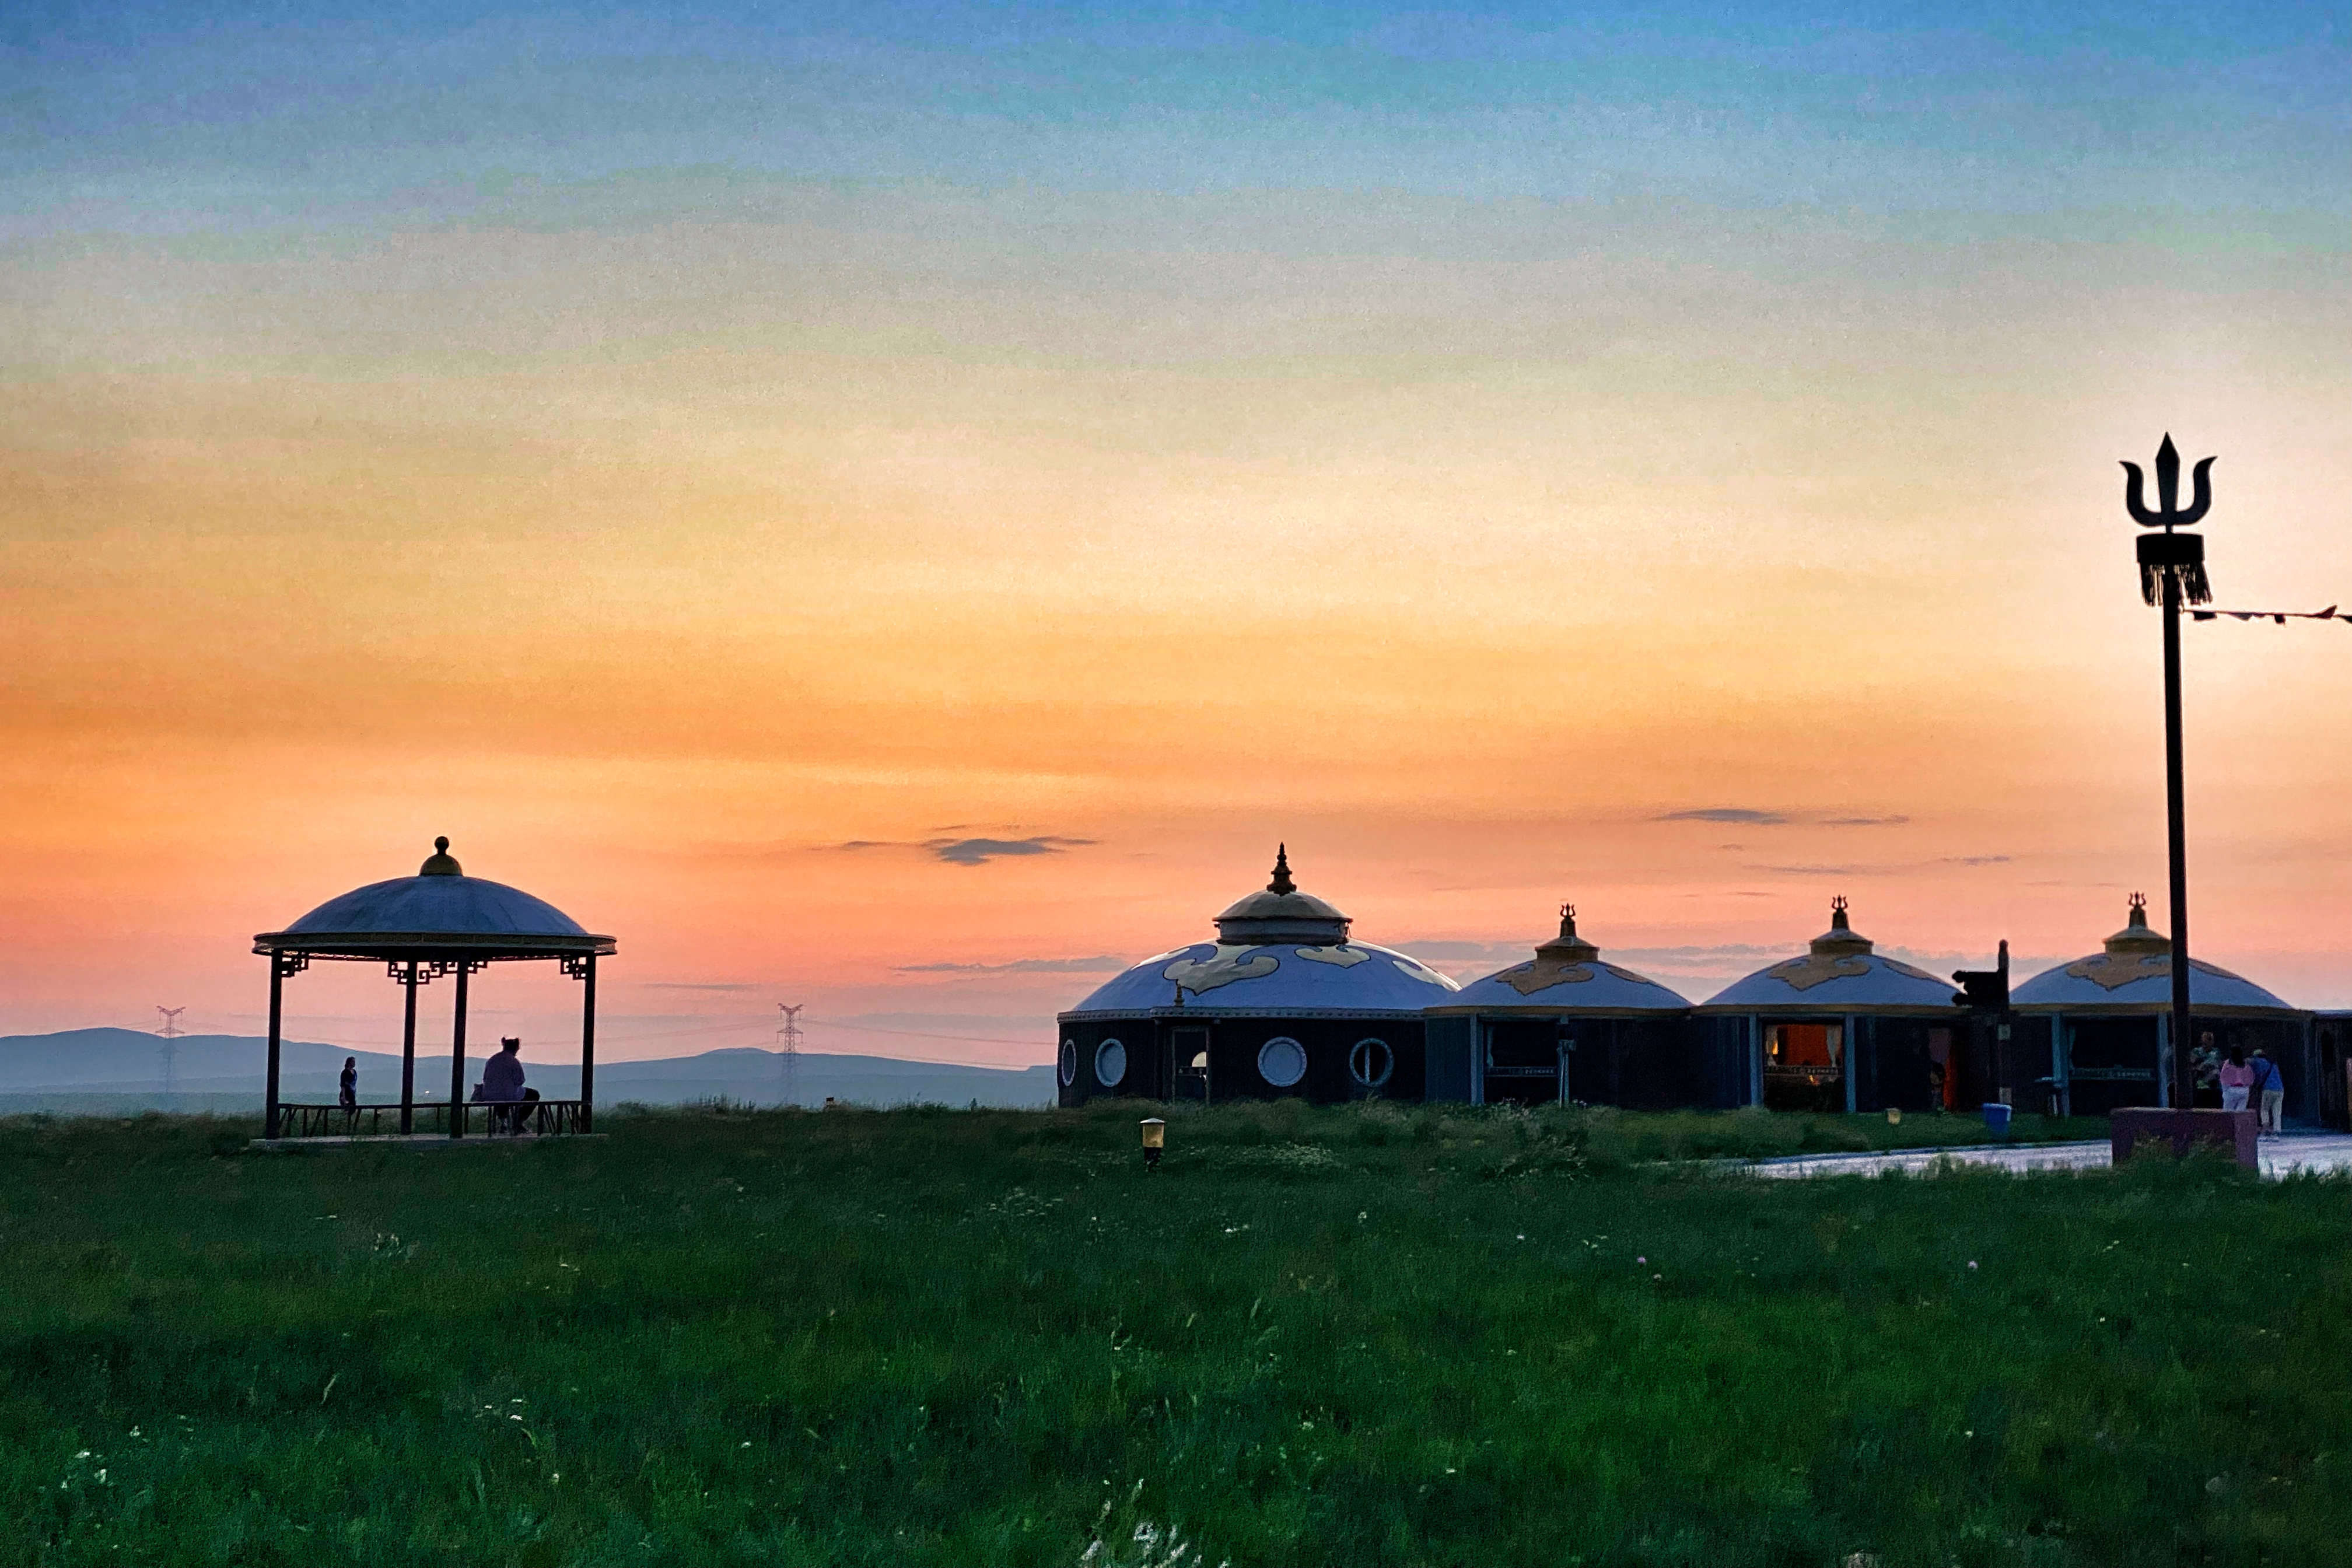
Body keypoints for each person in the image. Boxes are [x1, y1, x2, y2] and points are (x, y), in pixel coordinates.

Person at [475, 1037, 527, 1133]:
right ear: (516, 1049)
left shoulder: (492, 1059)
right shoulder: (514, 1061)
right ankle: (518, 1123)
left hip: (489, 1094)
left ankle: (503, 1123)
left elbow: (485, 1078)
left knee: (499, 1095)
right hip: (507, 1094)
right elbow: (520, 1081)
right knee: (533, 1095)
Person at [2253, 1049, 2286, 1136]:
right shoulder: (2273, 1064)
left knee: (2265, 1109)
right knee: (2277, 1111)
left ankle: (2266, 1127)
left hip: (2268, 1088)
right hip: (2280, 1089)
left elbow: (2259, 1076)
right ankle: (2277, 1130)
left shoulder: (2259, 1062)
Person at [2217, 1045, 2253, 1114]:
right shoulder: (2246, 1066)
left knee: (2228, 1113)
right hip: (2244, 1090)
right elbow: (2251, 1080)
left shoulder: (2227, 1065)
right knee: (2240, 1113)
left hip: (2231, 1090)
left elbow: (2224, 1079)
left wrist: (2225, 1091)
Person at [339, 1056, 359, 1131]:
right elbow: (343, 1085)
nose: (354, 1063)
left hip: (352, 1094)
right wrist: (344, 1097)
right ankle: (344, 1127)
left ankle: (350, 1127)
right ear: (349, 1063)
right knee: (346, 1111)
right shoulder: (345, 1073)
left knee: (353, 1110)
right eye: (353, 1062)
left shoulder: (354, 1072)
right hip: (346, 1094)